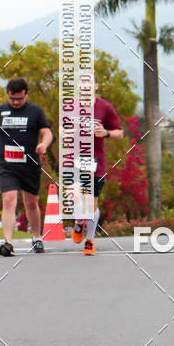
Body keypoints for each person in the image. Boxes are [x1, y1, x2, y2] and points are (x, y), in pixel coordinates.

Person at [0, 77, 53, 256]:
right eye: (12, 99)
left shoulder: (35, 112)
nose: (16, 103)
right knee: (8, 200)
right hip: (7, 166)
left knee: (31, 203)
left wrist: (44, 145)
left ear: (26, 95)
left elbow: (47, 133)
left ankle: (37, 237)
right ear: (7, 95)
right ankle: (8, 243)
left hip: (30, 165)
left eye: (20, 99)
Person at [71, 77, 123, 255]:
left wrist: (106, 133)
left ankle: (90, 241)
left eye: (88, 84)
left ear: (95, 86)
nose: (85, 87)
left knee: (91, 203)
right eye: (82, 84)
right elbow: (63, 129)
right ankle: (79, 222)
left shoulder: (105, 107)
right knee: (75, 195)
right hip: (75, 159)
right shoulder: (70, 106)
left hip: (96, 161)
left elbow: (120, 133)